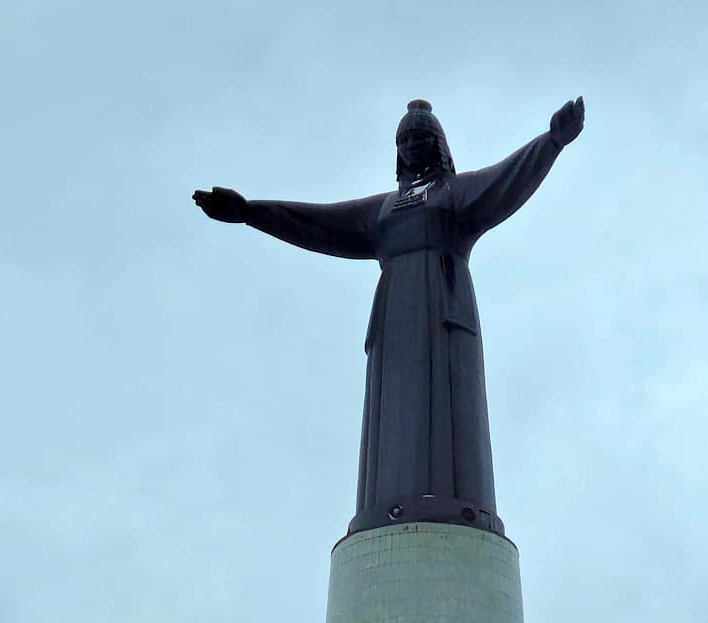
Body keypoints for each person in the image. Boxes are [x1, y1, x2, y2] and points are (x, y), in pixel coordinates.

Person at [194, 97, 584, 535]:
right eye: (404, 140)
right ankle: (387, 509)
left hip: (443, 306)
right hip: (393, 317)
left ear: (439, 145)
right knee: (391, 420)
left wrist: (552, 142)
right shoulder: (382, 209)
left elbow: (506, 179)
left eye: (420, 137)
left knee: (449, 410)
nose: (412, 145)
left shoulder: (454, 193)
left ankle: (454, 502)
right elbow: (318, 223)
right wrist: (250, 212)